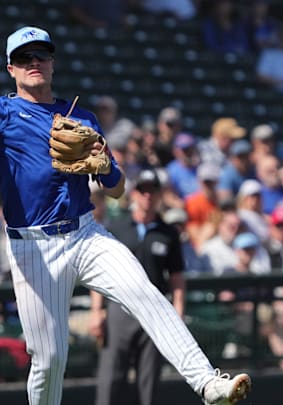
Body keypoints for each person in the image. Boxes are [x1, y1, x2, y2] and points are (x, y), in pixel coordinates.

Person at [0, 26, 250, 405]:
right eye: (24, 57)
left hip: (86, 235)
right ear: (11, 68)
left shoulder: (83, 118)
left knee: (145, 293)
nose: (33, 62)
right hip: (33, 248)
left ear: (52, 63)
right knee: (50, 359)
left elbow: (117, 188)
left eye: (41, 54)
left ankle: (208, 383)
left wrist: (104, 166)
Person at [89, 169, 185, 405]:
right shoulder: (117, 227)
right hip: (120, 307)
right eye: (143, 191)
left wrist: (179, 311)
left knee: (149, 377)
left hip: (155, 310)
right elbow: (100, 270)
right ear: (134, 194)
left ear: (160, 195)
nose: (147, 196)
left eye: (152, 191)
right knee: (111, 375)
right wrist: (96, 311)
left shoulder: (168, 233)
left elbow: (176, 277)